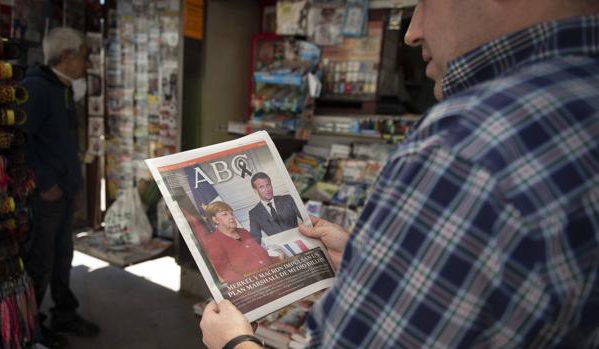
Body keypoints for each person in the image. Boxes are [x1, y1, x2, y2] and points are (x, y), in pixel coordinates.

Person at [200, 1, 599, 348]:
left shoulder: (462, 147)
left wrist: (236, 341)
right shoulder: (578, 99)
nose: (412, 33)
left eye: (425, 2)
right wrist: (363, 256)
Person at [21, 27, 99, 347]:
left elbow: (64, 143)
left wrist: (73, 186)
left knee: (63, 256)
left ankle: (64, 313)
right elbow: (20, 141)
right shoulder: (36, 89)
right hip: (47, 195)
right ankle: (30, 328)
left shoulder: (63, 88)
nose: (88, 62)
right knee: (41, 261)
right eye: (84, 54)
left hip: (64, 191)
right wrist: (44, 182)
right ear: (66, 57)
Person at [204, 201, 279, 283]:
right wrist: (253, 284)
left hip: (272, 276)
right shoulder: (213, 242)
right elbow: (227, 274)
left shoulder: (243, 232)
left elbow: (259, 256)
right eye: (225, 214)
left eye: (231, 214)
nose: (231, 217)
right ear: (215, 220)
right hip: (254, 285)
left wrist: (279, 258)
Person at [248, 172, 303, 244]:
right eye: (262, 187)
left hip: (300, 241)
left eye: (268, 185)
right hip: (280, 250)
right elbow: (255, 239)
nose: (267, 189)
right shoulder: (254, 213)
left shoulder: (287, 199)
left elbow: (306, 217)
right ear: (255, 190)